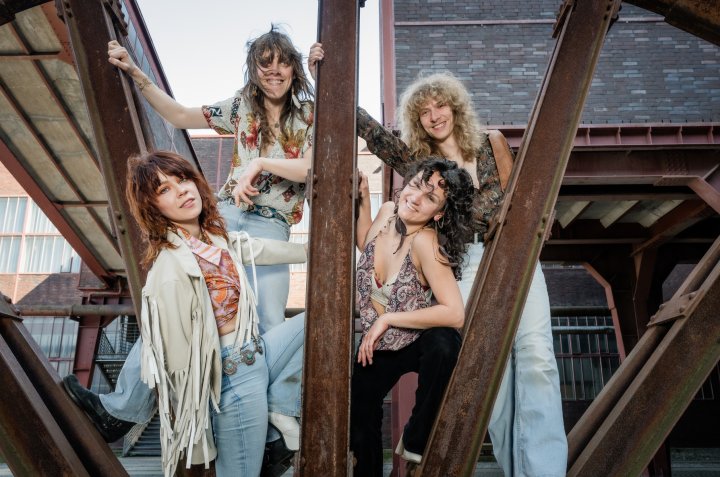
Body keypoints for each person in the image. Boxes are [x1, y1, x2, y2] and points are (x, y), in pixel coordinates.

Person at [62, 27, 313, 473]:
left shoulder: (312, 113)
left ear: (294, 68)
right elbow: (178, 114)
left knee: (271, 321)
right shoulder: (241, 106)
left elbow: (311, 166)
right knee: (175, 299)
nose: (274, 71)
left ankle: (274, 429)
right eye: (265, 63)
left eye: (283, 62)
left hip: (272, 223)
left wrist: (258, 162)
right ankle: (120, 409)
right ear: (254, 70)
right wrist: (135, 72)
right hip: (228, 216)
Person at [310, 45, 567, 476]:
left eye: (440, 105)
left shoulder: (492, 144)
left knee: (537, 356)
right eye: (424, 111)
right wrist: (326, 78)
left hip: (514, 256)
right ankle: (516, 469)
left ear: (455, 107)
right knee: (488, 367)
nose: (434, 115)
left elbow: (524, 197)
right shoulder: (421, 166)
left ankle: (546, 471)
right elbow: (370, 131)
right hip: (462, 262)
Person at [130, 150, 305, 476]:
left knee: (315, 321)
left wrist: (316, 250)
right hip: (232, 378)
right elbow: (175, 360)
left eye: (182, 179)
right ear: (153, 207)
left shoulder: (215, 239)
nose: (182, 191)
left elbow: (258, 249)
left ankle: (280, 407)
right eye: (164, 189)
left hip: (259, 352)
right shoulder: (168, 270)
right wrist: (196, 418)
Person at [351, 158, 475, 476]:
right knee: (360, 418)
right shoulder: (387, 211)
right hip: (377, 346)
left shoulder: (425, 241)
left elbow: (455, 313)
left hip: (413, 341)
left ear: (439, 213)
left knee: (445, 342)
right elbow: (366, 243)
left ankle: (416, 439)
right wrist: (363, 200)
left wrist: (387, 319)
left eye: (430, 197)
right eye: (417, 185)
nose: (416, 197)